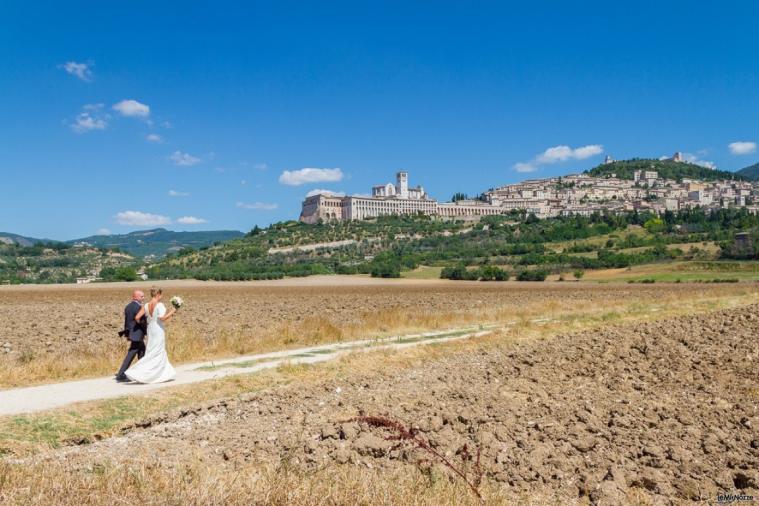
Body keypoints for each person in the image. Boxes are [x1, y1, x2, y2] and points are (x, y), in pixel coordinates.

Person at [124, 286, 177, 384]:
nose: (161, 297)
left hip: (150, 330)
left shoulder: (146, 305)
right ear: (158, 294)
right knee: (158, 351)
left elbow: (137, 317)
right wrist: (173, 311)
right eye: (161, 295)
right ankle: (153, 374)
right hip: (158, 330)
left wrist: (145, 324)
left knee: (151, 350)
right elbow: (162, 318)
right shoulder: (160, 305)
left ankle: (152, 373)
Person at [115, 290, 147, 382]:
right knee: (131, 355)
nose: (143, 298)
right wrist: (146, 331)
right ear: (136, 297)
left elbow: (128, 322)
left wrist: (127, 333)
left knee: (142, 353)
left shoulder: (128, 306)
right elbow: (141, 321)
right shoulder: (138, 307)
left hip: (132, 334)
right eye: (142, 296)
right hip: (137, 334)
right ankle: (120, 375)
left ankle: (142, 373)